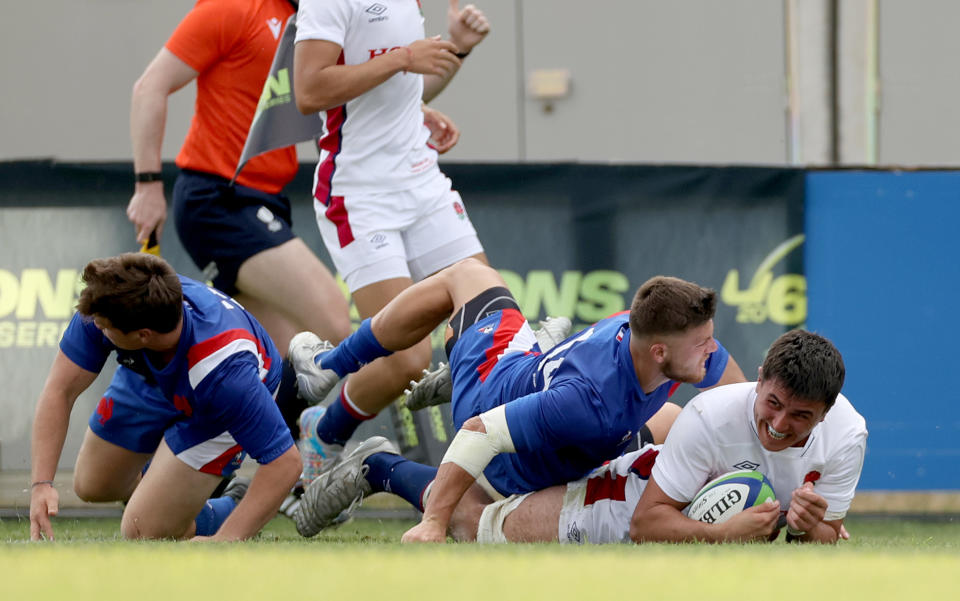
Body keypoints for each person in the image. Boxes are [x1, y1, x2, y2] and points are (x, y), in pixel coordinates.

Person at [287, 258, 745, 537]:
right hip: (494, 417)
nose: (713, 349)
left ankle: (519, 355)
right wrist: (430, 522)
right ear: (660, 351)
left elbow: (740, 404)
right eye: (704, 343)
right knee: (465, 274)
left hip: (570, 423)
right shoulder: (584, 399)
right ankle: (359, 426)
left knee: (685, 422)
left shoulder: (662, 337)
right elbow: (476, 434)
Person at [290, 0, 494, 480]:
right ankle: (325, 428)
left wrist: (453, 56)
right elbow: (309, 90)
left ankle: (494, 469)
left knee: (490, 324)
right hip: (359, 196)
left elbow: (401, 85)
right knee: (408, 358)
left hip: (424, 184)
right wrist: (402, 58)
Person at [444, 330, 868, 545]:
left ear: (826, 413)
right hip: (628, 496)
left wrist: (808, 527)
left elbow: (827, 535)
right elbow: (645, 523)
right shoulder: (711, 415)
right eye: (773, 403)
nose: (779, 423)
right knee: (472, 525)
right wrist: (723, 534)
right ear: (758, 383)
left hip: (668, 470)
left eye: (800, 416)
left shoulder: (848, 435)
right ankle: (384, 464)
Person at [127, 0, 352, 368]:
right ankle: (327, 426)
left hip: (266, 201)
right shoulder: (233, 7)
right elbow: (149, 87)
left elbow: (349, 87)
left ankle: (282, 426)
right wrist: (148, 186)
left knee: (281, 366)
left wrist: (451, 58)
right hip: (219, 199)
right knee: (334, 323)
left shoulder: (315, 22)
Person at [29, 253, 301, 542]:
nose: (96, 327)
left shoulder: (226, 375)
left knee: (141, 530)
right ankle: (170, 482)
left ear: (143, 335)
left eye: (105, 327)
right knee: (93, 484)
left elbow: (285, 463)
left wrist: (225, 541)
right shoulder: (113, 303)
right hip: (151, 374)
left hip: (213, 410)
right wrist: (41, 484)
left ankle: (231, 505)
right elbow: (59, 391)